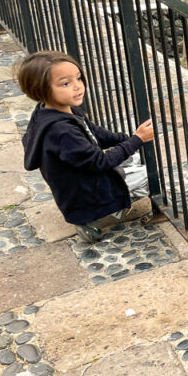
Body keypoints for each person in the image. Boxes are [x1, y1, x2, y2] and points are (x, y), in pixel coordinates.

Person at [17, 51, 155, 243]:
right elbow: (100, 162)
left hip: (82, 181)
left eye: (79, 78)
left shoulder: (51, 111)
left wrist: (127, 139)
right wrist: (137, 140)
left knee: (135, 158)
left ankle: (92, 210)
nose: (78, 86)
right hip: (88, 194)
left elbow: (95, 132)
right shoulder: (61, 131)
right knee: (154, 176)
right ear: (40, 89)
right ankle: (88, 221)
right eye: (65, 83)